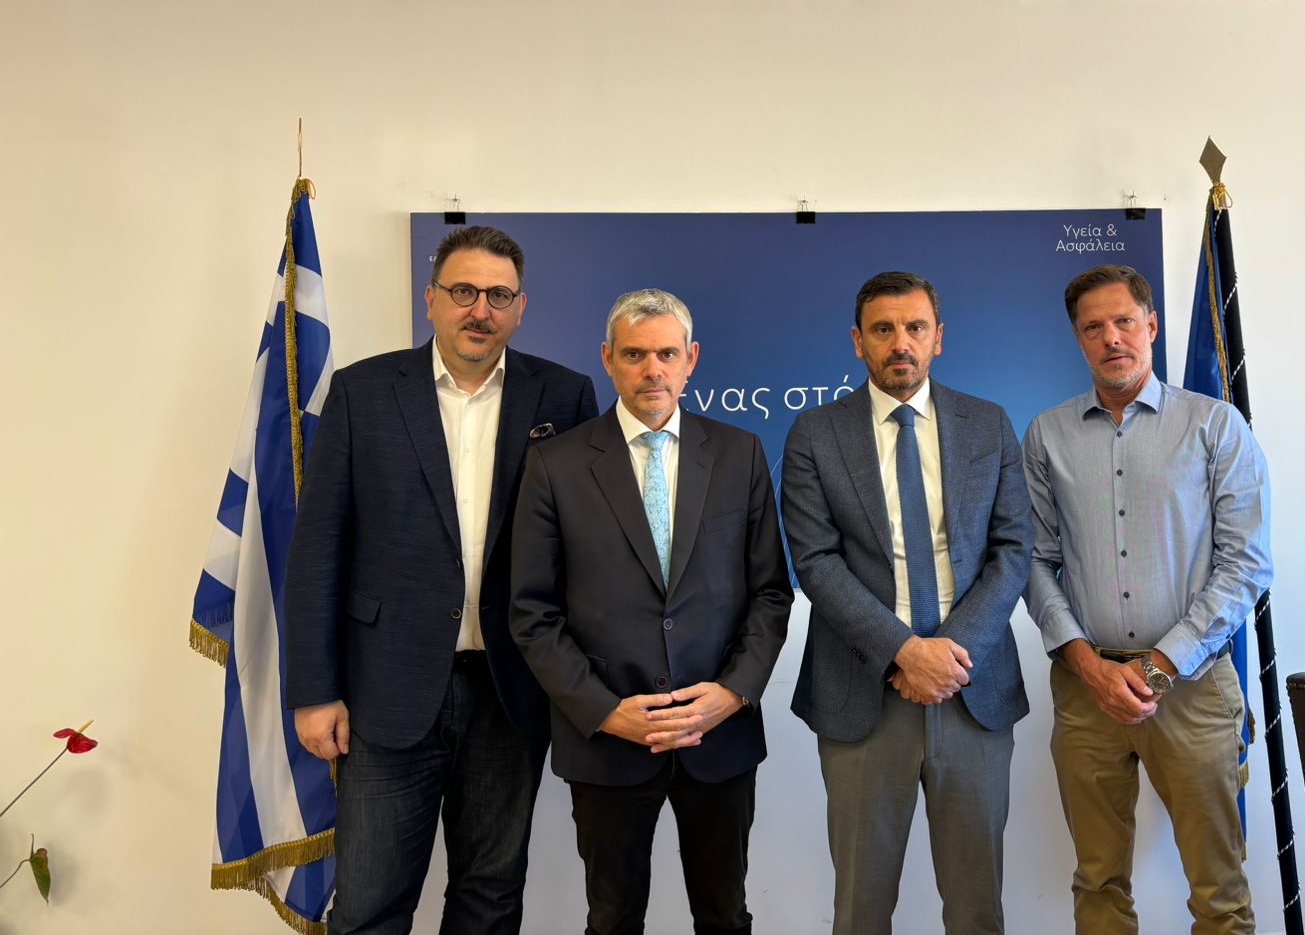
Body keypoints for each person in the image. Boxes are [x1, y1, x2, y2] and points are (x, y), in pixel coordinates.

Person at [284, 224, 597, 935]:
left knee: (490, 900)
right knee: (369, 905)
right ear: (431, 300)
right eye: (463, 291)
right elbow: (318, 549)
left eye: (498, 295)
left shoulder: (564, 396)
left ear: (520, 307)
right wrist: (314, 691)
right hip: (384, 691)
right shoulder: (363, 392)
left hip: (512, 691)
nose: (479, 309)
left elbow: (584, 553)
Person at [509, 288, 793, 935]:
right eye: (635, 355)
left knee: (725, 916)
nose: (652, 370)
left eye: (667, 354)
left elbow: (771, 592)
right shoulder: (555, 464)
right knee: (612, 920)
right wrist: (605, 711)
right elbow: (532, 611)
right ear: (608, 359)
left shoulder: (740, 453)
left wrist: (732, 694)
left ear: (691, 359)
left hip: (718, 736)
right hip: (608, 741)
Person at [1023, 263, 1272, 935]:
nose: (1111, 338)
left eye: (1124, 321)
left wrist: (1159, 666)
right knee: (1097, 881)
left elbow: (1246, 564)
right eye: (1093, 327)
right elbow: (1035, 561)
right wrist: (1088, 665)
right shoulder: (1046, 435)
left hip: (1193, 689)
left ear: (1152, 325)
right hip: (1087, 691)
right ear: (1078, 339)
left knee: (1219, 894)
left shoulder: (1215, 426)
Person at [782, 270, 1032, 935]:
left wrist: (948, 656)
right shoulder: (815, 434)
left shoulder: (988, 424)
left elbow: (1013, 549)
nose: (901, 343)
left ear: (938, 337)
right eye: (883, 329)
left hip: (973, 690)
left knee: (978, 912)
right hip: (864, 694)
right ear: (857, 341)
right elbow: (816, 562)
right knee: (861, 912)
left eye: (915, 327)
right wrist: (903, 652)